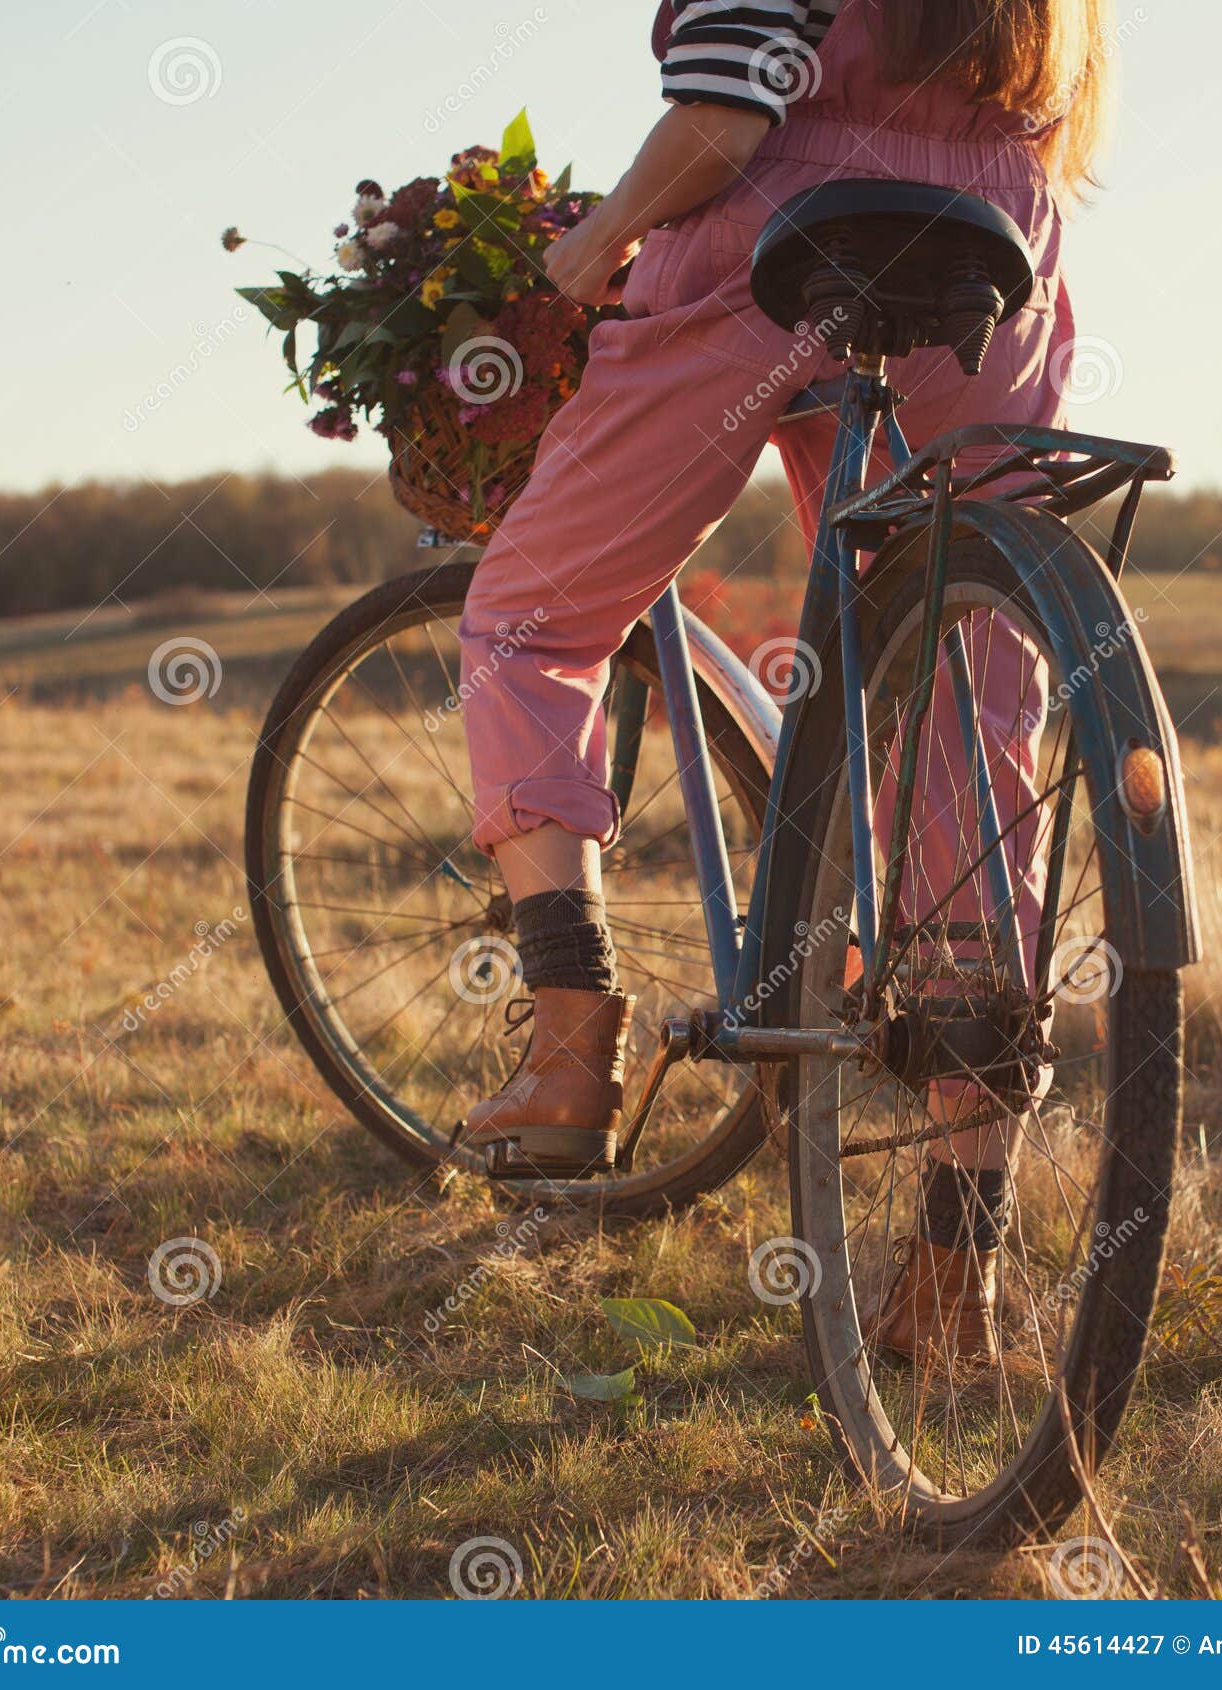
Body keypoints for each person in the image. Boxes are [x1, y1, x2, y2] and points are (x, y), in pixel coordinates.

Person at [458, 1, 1116, 1359]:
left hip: (782, 236)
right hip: (995, 253)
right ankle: (955, 1265)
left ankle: (573, 1039)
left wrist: (592, 246)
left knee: (529, 617)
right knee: (964, 692)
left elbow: (728, 108)